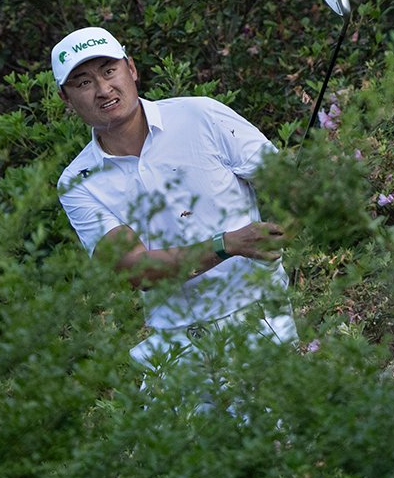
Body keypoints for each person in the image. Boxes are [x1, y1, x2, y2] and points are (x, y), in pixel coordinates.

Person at [50, 26, 297, 379]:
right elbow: (135, 270)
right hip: (177, 344)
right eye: (84, 82)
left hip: (260, 318)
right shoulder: (78, 182)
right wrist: (226, 245)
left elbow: (286, 183)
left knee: (278, 434)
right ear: (66, 97)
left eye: (109, 70)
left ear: (131, 69)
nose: (104, 90)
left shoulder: (202, 116)